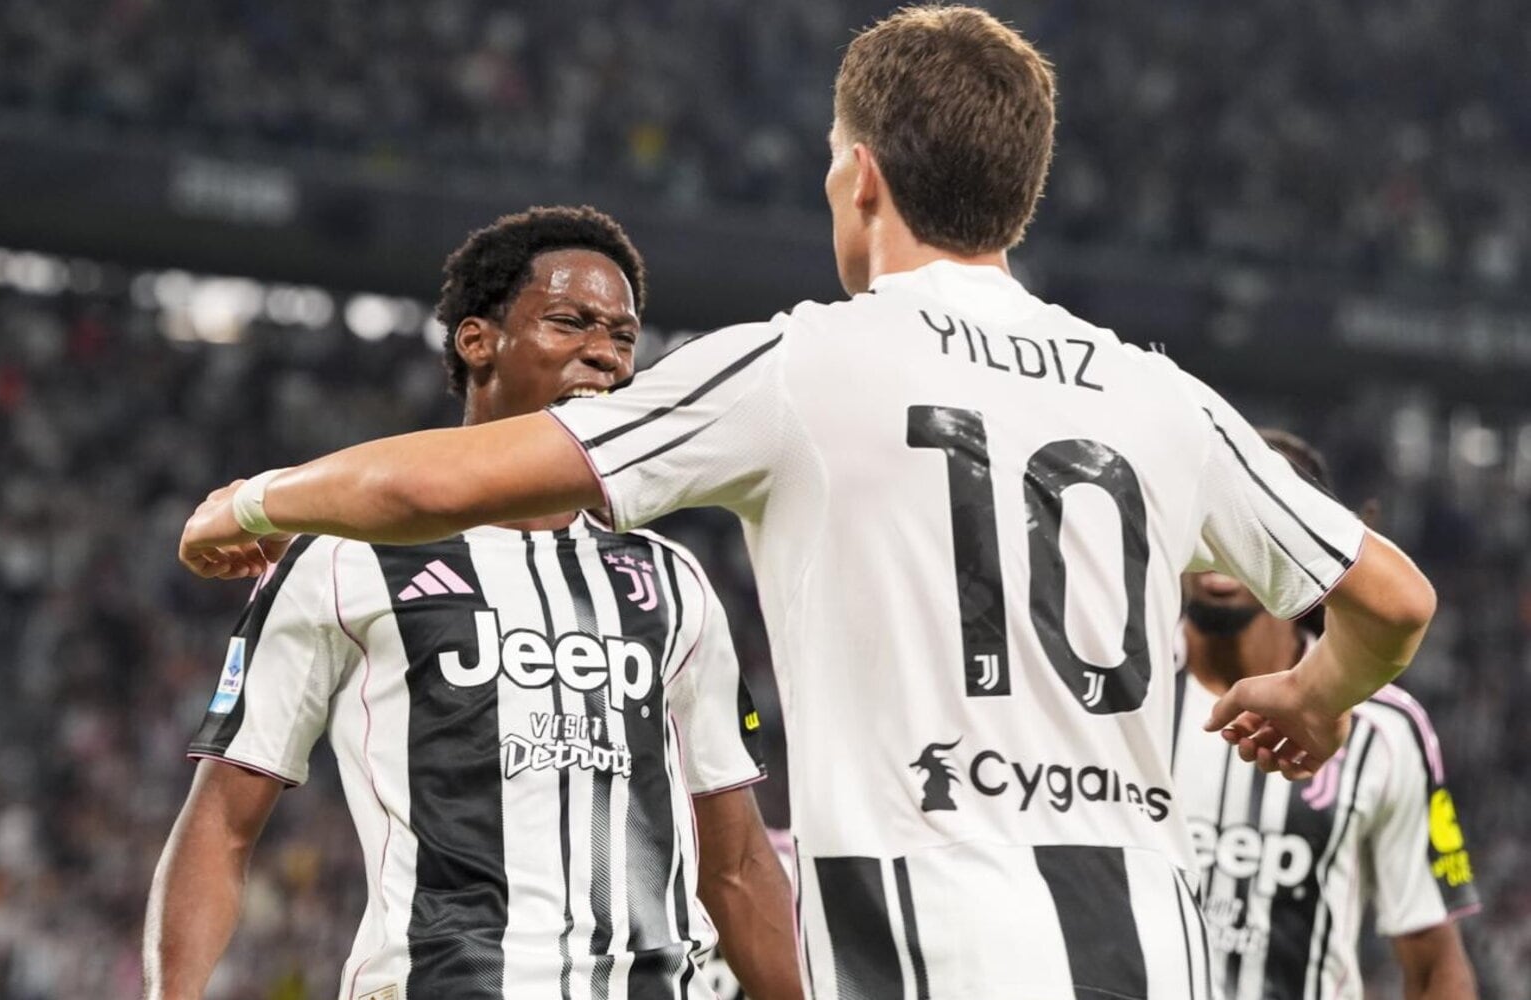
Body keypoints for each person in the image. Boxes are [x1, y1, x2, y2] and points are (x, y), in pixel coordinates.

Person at [176, 8, 1438, 997]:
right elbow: (1392, 600)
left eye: (835, 161)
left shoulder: (802, 363)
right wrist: (1315, 695)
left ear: (862, 178)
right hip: (1152, 950)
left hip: (926, 939)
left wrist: (254, 500)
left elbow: (426, 483)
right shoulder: (1160, 394)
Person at [142, 206, 801, 1000]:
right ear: (477, 341)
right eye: (571, 322)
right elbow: (221, 823)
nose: (605, 352)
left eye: (624, 336)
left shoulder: (671, 581)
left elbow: (737, 864)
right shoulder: (342, 558)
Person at [1174, 430, 1477, 1000]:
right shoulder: (1118, 691)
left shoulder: (1387, 730)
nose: (1223, 544)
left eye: (1252, 524)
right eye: (1210, 517)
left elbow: (1436, 965)